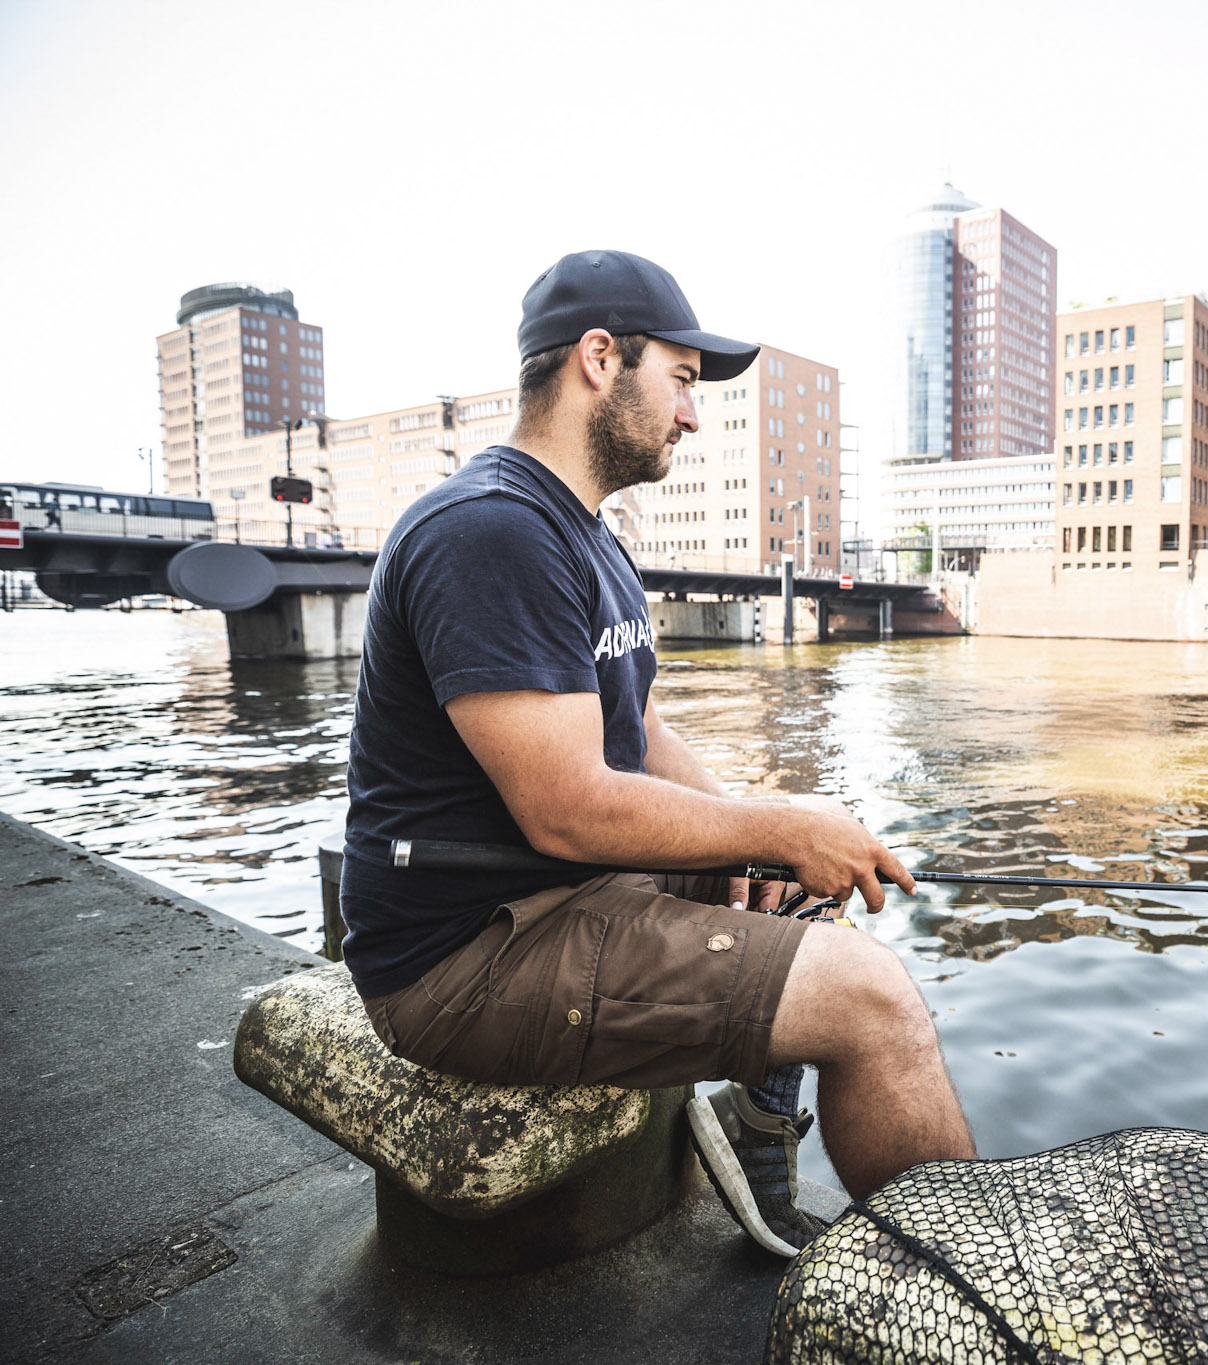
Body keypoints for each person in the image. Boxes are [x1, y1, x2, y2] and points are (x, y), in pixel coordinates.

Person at [338, 250, 975, 1255]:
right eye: (678, 379)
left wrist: (756, 851)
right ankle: (968, 1292)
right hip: (460, 957)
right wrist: (779, 824)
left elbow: (637, 735)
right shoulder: (490, 531)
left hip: (555, 895)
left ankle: (758, 1144)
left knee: (799, 896)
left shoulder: (581, 533)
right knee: (874, 1002)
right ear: (599, 358)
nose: (689, 412)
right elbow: (569, 808)